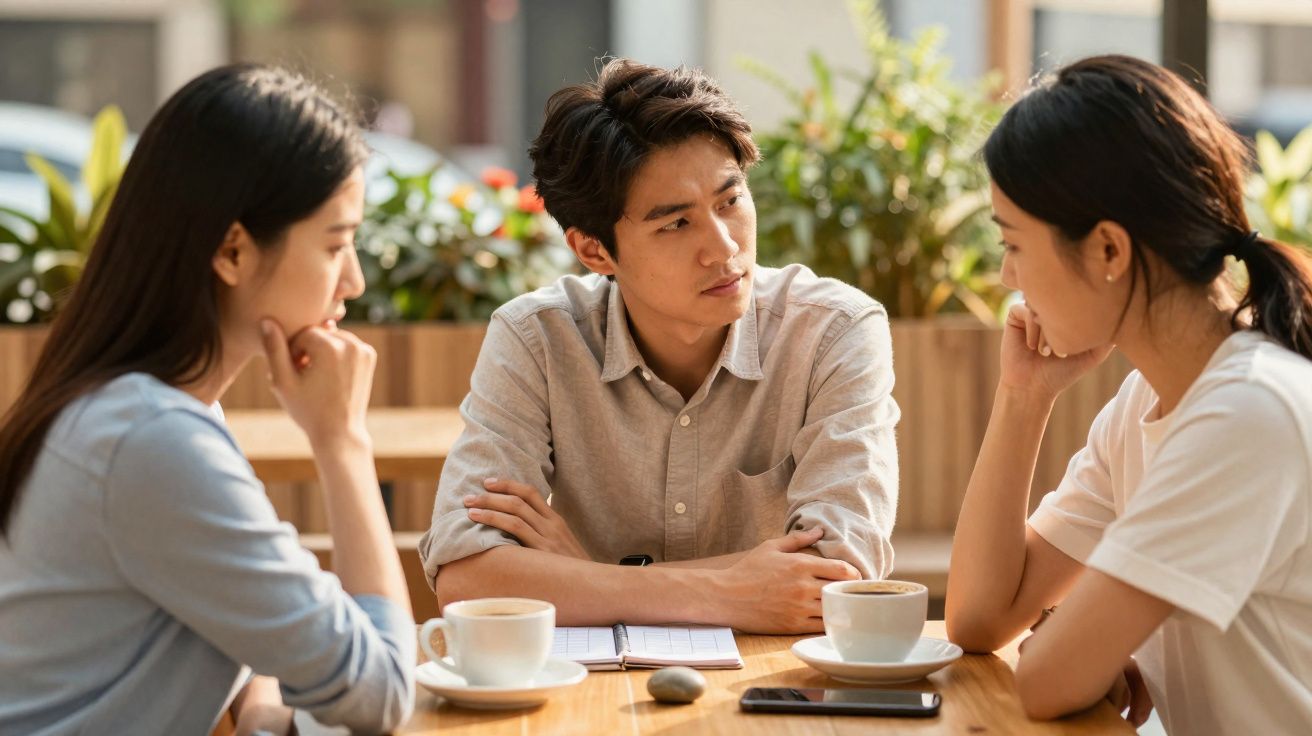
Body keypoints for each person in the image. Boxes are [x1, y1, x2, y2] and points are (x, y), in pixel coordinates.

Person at [0, 65, 414, 735]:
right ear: (232, 250)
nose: (355, 281)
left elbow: (215, 596)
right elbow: (381, 693)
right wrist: (343, 443)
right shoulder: (151, 439)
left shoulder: (141, 408)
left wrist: (254, 701)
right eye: (336, 243)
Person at [418, 59, 900, 634]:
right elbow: (466, 577)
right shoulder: (538, 337)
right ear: (595, 252)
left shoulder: (833, 330)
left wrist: (588, 576)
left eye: (729, 201)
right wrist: (725, 590)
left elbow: (836, 576)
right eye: (675, 224)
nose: (723, 248)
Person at [945, 55, 1312, 734]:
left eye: (1014, 244)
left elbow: (1046, 680)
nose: (1004, 276)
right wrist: (1023, 398)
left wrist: (1072, 647)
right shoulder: (1151, 401)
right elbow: (978, 618)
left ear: (1108, 251)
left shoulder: (1248, 412)